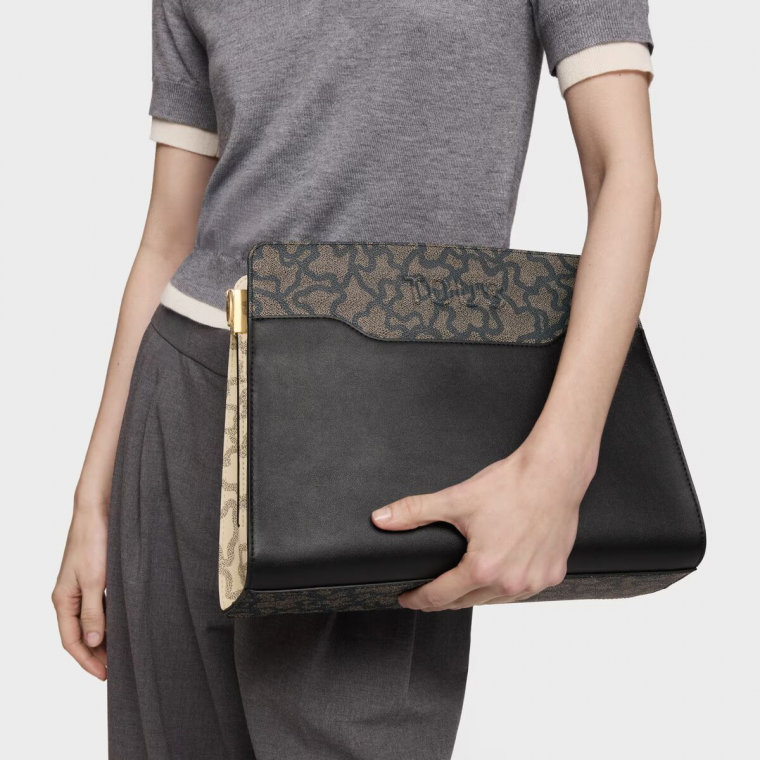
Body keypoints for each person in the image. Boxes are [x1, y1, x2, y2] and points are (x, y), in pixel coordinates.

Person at [52, 2, 660, 758]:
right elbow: (168, 237)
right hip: (184, 401)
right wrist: (94, 500)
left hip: (384, 421)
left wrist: (559, 471)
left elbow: (624, 177)